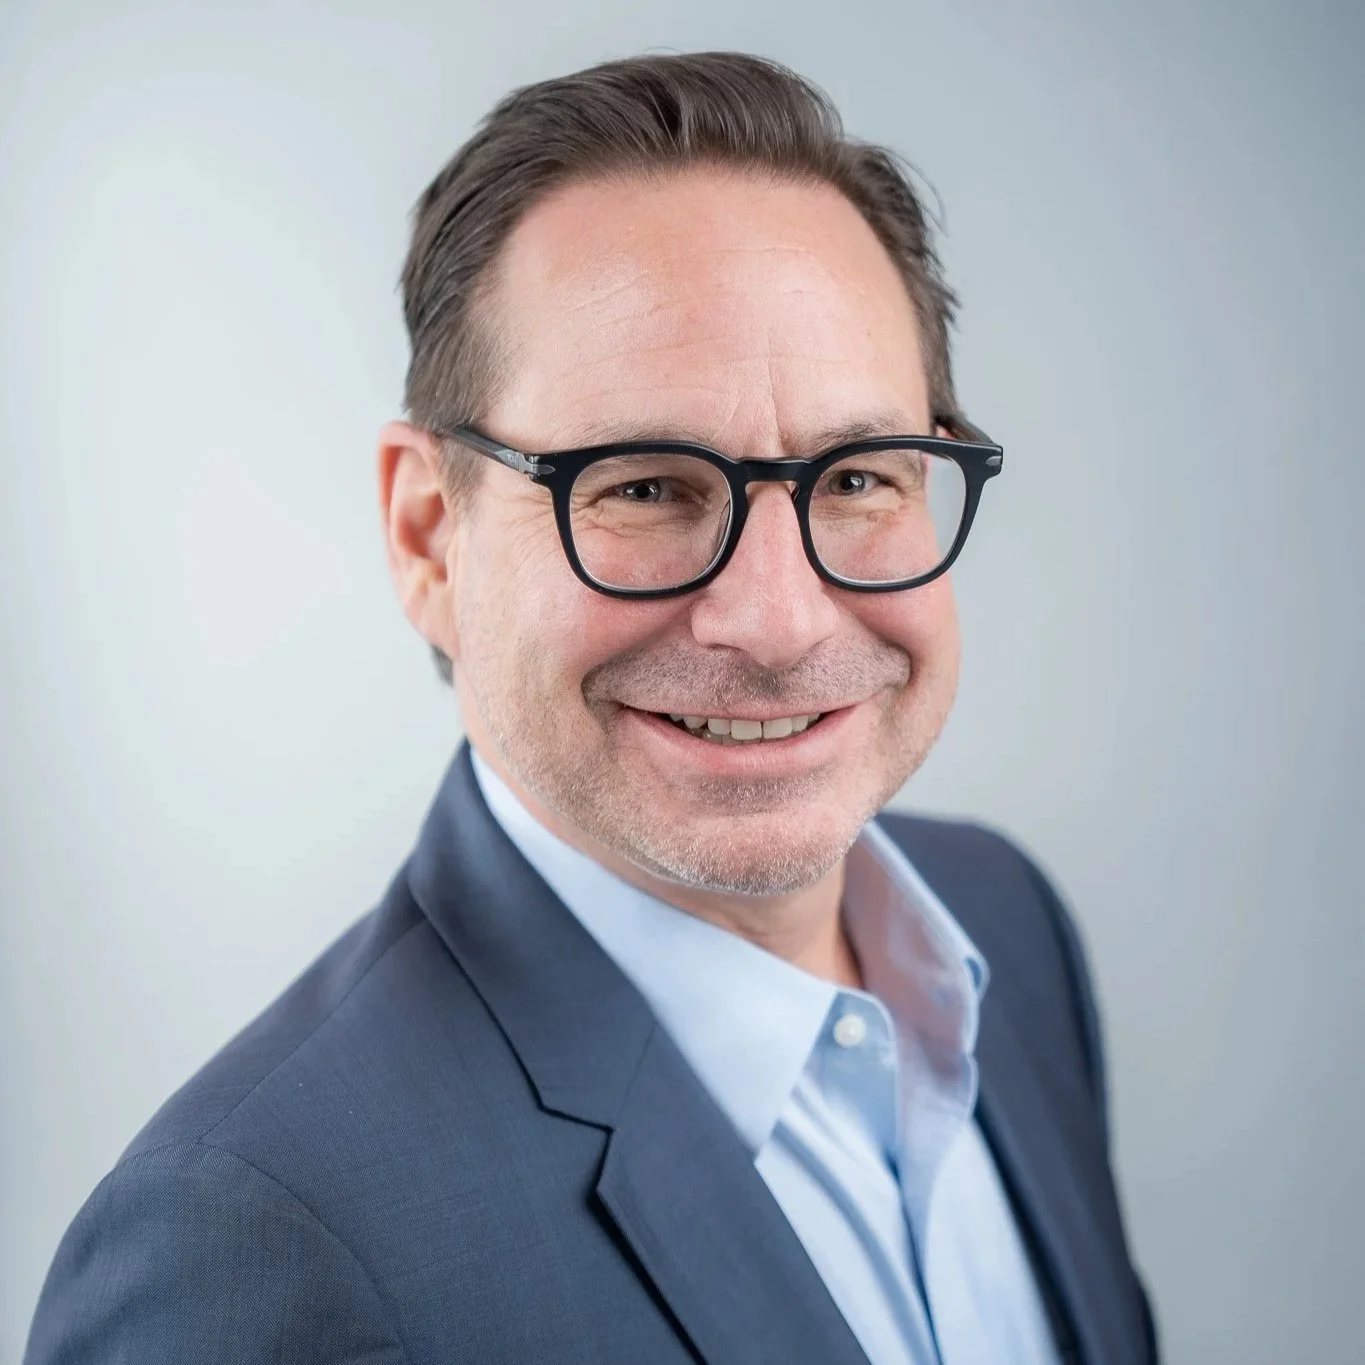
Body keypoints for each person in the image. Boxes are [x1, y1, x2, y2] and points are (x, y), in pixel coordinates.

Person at [25, 51, 1158, 1365]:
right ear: (428, 536)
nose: (781, 623)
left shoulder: (1005, 932)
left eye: (860, 478)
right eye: (643, 488)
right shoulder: (248, 1251)